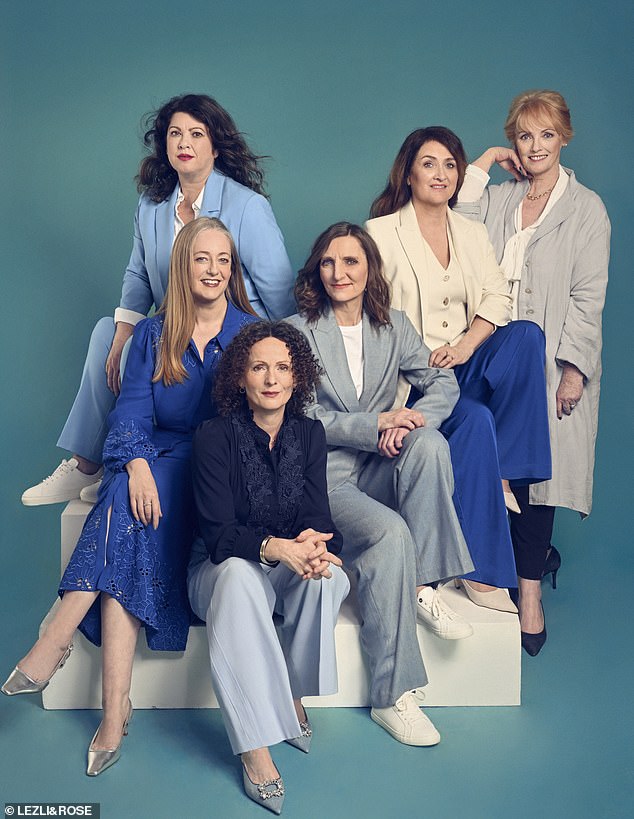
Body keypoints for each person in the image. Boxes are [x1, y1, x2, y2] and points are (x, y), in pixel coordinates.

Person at [2, 218, 259, 777]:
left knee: (123, 502)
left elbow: (249, 429)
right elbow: (130, 412)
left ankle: (58, 636)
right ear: (183, 265)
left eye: (224, 260)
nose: (214, 270)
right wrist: (138, 460)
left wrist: (151, 467)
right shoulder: (153, 332)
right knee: (125, 491)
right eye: (201, 259)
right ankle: (114, 706)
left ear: (232, 268)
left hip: (213, 473)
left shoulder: (250, 335)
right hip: (155, 460)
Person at [23, 92, 295, 506]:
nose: (184, 143)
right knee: (105, 334)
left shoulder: (247, 207)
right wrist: (121, 334)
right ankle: (89, 463)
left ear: (215, 146)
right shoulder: (151, 206)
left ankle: (114, 464)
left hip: (232, 334)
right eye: (175, 134)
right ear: (164, 144)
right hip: (172, 329)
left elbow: (280, 298)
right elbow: (137, 274)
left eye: (196, 134)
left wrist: (275, 357)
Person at [288, 222, 476, 749]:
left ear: (369, 267)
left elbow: (441, 382)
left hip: (379, 464)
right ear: (316, 271)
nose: (338, 272)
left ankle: (422, 586)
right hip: (326, 479)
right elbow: (300, 418)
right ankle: (391, 697)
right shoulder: (297, 330)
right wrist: (377, 425)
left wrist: (411, 421)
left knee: (431, 445)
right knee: (391, 534)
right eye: (328, 262)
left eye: (350, 262)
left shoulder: (393, 324)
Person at [366, 126, 551, 613]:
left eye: (451, 165)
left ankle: (508, 474)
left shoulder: (470, 232)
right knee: (475, 421)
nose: (441, 174)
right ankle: (482, 575)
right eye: (430, 163)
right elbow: (370, 315)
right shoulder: (379, 233)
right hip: (417, 378)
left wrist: (469, 344)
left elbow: (496, 293)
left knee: (526, 337)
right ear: (408, 173)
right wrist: (412, 371)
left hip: (463, 359)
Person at [454, 90, 610, 654]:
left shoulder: (586, 209)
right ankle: (484, 570)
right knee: (494, 465)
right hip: (491, 354)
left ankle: (530, 594)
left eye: (547, 135)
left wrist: (574, 370)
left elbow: (588, 296)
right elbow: (455, 218)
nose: (536, 146)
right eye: (524, 136)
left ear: (564, 138)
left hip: (549, 363)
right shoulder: (499, 199)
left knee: (537, 481)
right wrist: (486, 160)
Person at [188, 320, 349, 815]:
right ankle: (253, 745)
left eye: (282, 367)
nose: (271, 378)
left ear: (297, 377)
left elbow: (319, 516)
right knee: (239, 576)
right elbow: (218, 537)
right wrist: (278, 547)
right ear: (240, 378)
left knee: (330, 577)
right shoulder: (213, 437)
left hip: (277, 567)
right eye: (259, 367)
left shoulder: (310, 433)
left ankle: (293, 692)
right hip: (217, 572)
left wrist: (315, 545)